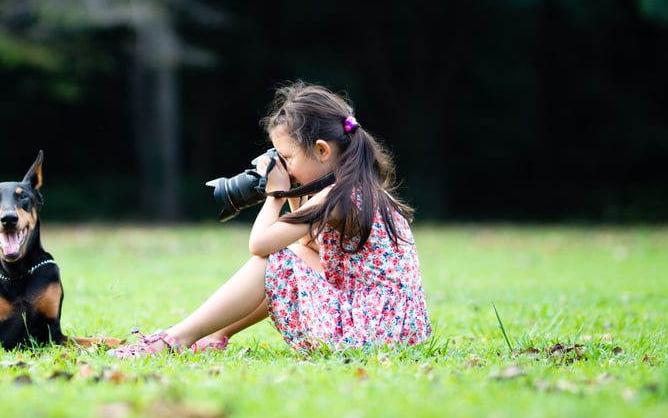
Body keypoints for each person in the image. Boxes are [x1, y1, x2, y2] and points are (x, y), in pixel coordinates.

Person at [109, 81, 431, 357]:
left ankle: (173, 339)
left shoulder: (337, 196)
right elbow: (306, 245)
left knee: (276, 260)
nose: (285, 168)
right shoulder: (356, 188)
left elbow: (260, 245)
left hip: (368, 333)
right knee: (295, 258)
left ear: (322, 151)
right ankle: (211, 335)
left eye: (288, 157)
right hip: (394, 329)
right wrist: (293, 192)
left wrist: (276, 195)